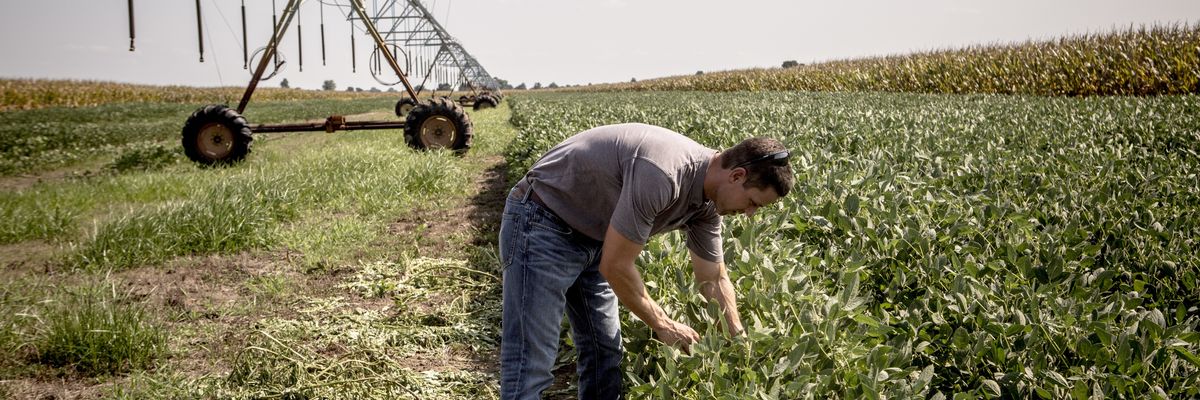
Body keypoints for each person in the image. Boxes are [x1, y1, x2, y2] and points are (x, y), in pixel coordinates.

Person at [498, 122, 794, 399]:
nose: (750, 213)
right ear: (737, 175)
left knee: (605, 350)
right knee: (532, 358)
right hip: (542, 223)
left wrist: (738, 340)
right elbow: (615, 266)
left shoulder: (707, 207)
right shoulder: (665, 174)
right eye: (753, 202)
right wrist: (663, 324)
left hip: (596, 237)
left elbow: (713, 278)